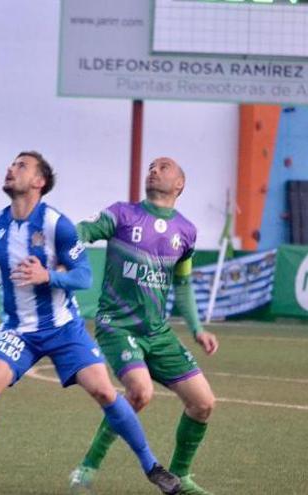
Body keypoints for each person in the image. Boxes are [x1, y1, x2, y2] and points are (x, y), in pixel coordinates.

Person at [0, 151, 181, 495]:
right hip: (18, 330)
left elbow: (83, 276)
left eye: (21, 165)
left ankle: (153, 467)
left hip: (63, 328)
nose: (10, 168)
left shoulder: (55, 224)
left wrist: (48, 276)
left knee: (105, 391)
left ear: (38, 181)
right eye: (11, 164)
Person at [68, 157, 219, 495]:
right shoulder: (122, 214)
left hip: (158, 332)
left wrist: (197, 328)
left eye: (163, 167)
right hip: (117, 326)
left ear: (179, 184)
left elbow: (182, 284)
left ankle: (180, 479)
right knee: (140, 392)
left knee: (203, 403)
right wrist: (64, 238)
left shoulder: (186, 231)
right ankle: (86, 467)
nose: (154, 169)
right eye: (151, 166)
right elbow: (83, 231)